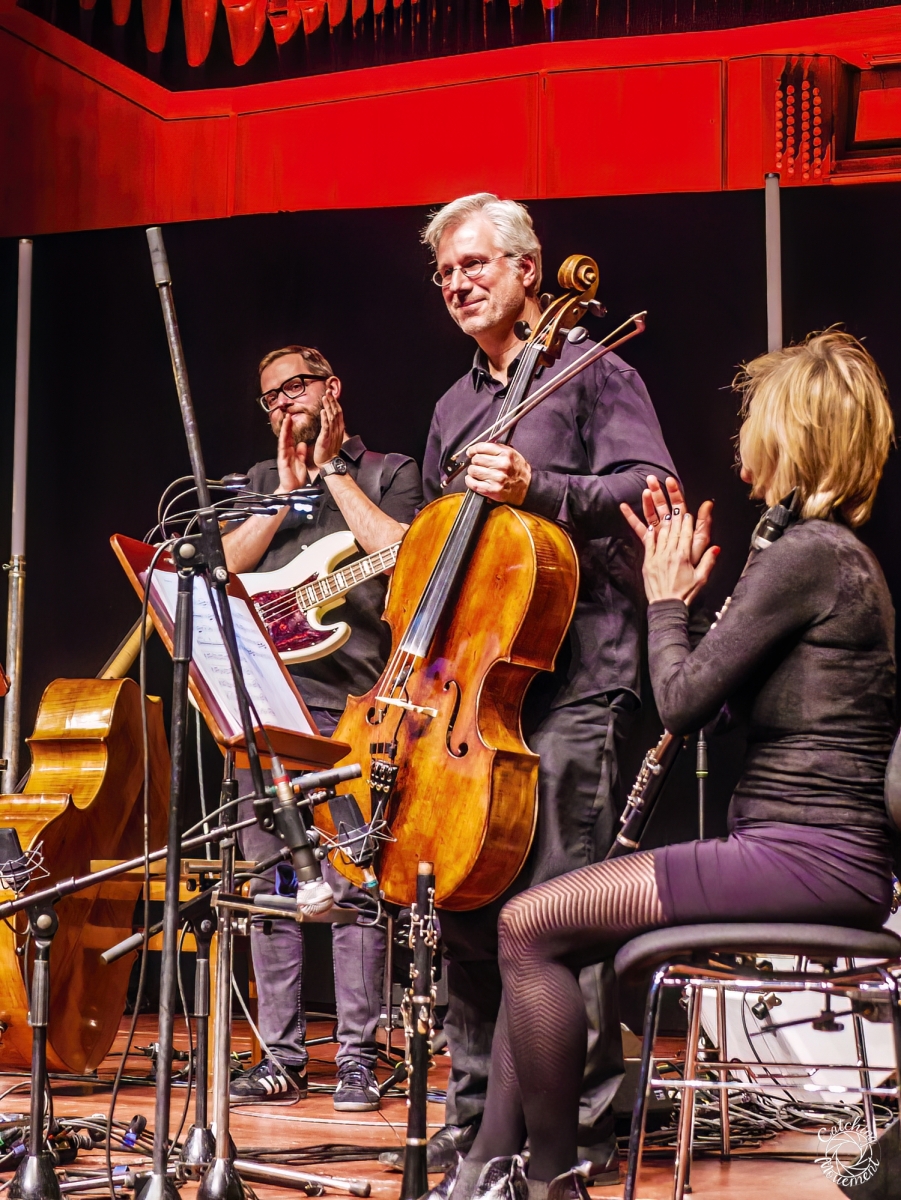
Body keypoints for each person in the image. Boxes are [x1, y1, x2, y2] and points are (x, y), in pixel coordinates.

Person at [426, 328, 896, 1200]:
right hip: (803, 853)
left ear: (790, 433)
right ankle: (488, 1172)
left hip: (807, 857)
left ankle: (546, 1179)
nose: (741, 443)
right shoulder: (822, 557)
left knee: (527, 924)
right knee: (542, 926)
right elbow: (713, 706)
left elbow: (677, 701)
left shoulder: (809, 557)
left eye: (754, 422)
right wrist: (696, 619)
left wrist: (665, 601)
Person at [397, 193, 677, 1177]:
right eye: (444, 272)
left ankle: (573, 1138)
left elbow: (653, 492)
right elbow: (443, 552)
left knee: (557, 909)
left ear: (527, 268)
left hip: (579, 678)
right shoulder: (452, 409)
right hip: (475, 694)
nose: (457, 284)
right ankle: (479, 1128)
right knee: (468, 906)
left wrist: (541, 489)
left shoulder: (595, 371)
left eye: (474, 264)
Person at [222, 344, 423, 1109]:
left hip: (354, 710)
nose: (281, 403)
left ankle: (356, 1058)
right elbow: (223, 571)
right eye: (269, 396)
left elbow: (406, 556)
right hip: (266, 709)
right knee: (269, 886)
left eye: (294, 387)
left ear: (331, 387)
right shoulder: (255, 483)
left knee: (354, 884)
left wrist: (332, 470)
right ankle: (279, 1056)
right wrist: (280, 496)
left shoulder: (389, 472)